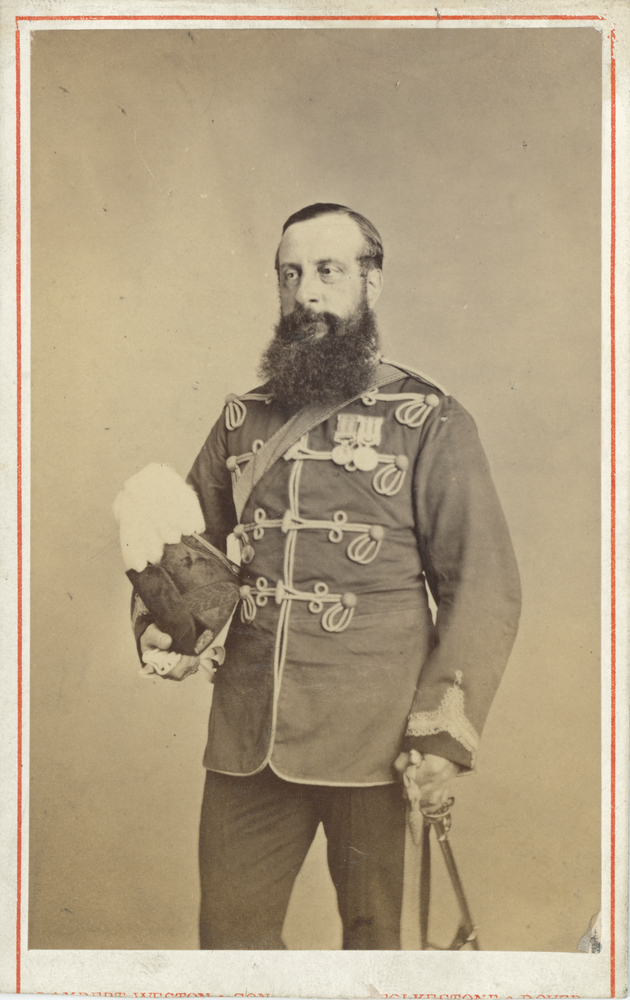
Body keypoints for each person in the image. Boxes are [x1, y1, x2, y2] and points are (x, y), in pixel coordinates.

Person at [130, 203, 521, 950]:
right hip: (251, 739)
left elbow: (485, 584)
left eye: (328, 271)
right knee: (230, 947)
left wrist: (441, 738)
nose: (306, 292)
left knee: (371, 954)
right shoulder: (241, 421)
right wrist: (165, 626)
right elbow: (182, 549)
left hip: (374, 744)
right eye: (290, 274)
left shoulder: (428, 420)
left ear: (370, 284)